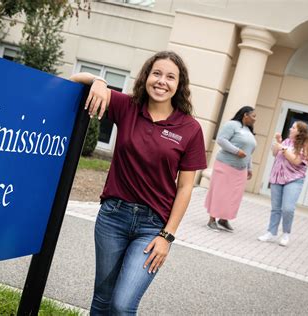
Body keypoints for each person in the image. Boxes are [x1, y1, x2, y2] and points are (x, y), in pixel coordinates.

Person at [70, 51, 207, 315]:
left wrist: (167, 236)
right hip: (112, 217)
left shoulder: (189, 129)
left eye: (170, 77)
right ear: (146, 76)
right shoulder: (128, 107)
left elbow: (186, 187)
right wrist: (99, 80)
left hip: (152, 227)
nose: (161, 81)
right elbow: (75, 78)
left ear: (179, 85)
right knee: (103, 299)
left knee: (122, 305)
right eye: (156, 73)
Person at [258, 121, 308, 246]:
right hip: (277, 177)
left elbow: (296, 161)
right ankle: (271, 233)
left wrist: (282, 148)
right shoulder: (286, 142)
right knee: (276, 208)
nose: (290, 128)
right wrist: (278, 142)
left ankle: (286, 234)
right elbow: (274, 153)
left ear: (300, 132)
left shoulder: (306, 147)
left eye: (293, 127)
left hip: (294, 179)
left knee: (288, 209)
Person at [205, 106, 257, 232]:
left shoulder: (248, 131)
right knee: (220, 192)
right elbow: (221, 140)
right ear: (245, 115)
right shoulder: (232, 125)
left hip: (241, 170)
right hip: (225, 165)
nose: (255, 119)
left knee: (234, 196)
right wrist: (236, 151)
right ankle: (212, 220)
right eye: (253, 116)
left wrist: (249, 168)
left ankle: (223, 219)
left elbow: (249, 152)